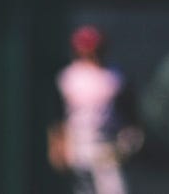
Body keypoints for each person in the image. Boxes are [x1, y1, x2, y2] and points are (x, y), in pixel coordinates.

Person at [48, 25, 143, 194]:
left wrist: (128, 143)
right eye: (86, 50)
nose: (91, 55)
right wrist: (57, 146)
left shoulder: (115, 76)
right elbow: (58, 115)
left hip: (109, 146)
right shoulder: (69, 77)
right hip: (78, 144)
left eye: (94, 50)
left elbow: (130, 114)